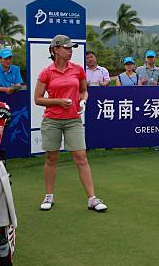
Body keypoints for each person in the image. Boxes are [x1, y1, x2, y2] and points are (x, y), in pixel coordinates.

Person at [34, 35, 107, 212]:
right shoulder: (46, 72)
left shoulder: (78, 69)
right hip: (52, 120)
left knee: (81, 157)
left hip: (73, 119)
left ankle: (92, 198)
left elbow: (84, 91)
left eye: (71, 48)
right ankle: (49, 196)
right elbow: (38, 99)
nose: (70, 51)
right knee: (51, 158)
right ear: (56, 50)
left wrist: (83, 101)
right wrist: (58, 101)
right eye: (67, 48)